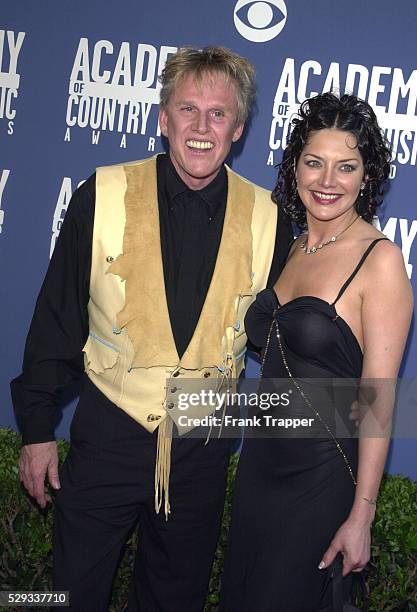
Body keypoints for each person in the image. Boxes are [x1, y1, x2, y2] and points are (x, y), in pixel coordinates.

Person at [10, 47, 293, 611]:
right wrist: (39, 430)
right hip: (107, 436)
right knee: (69, 594)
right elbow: (56, 318)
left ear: (238, 129)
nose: (200, 127)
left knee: (174, 599)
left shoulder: (272, 218)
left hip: (201, 454)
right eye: (187, 109)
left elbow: (281, 342)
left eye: (218, 114)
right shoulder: (103, 193)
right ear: (162, 118)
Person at [220, 92, 413, 611]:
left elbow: (379, 398)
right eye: (314, 163)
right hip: (260, 468)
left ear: (367, 176)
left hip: (322, 476)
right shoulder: (291, 246)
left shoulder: (381, 261)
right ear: (295, 168)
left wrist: (361, 516)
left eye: (345, 167)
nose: (327, 182)